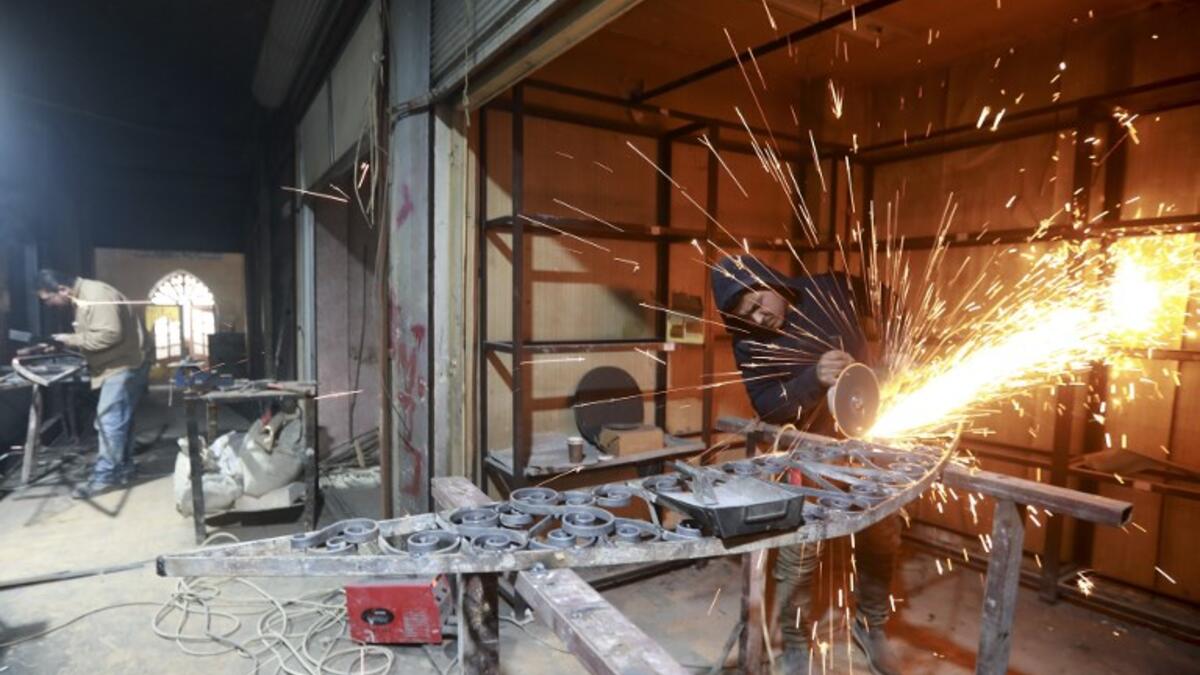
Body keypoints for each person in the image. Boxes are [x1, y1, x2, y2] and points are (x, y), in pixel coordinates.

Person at [712, 255, 902, 675]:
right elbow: (768, 405)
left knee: (883, 534)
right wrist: (813, 378)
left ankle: (871, 626)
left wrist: (889, 359)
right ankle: (795, 642)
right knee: (801, 553)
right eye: (747, 315)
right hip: (808, 452)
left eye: (760, 303)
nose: (760, 317)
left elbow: (891, 302)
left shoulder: (831, 289)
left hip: (867, 436)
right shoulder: (750, 342)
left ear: (773, 283)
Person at [33, 269, 150, 499]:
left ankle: (105, 478)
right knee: (119, 420)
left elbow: (109, 334)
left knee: (108, 421)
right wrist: (65, 343)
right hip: (118, 364)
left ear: (63, 290)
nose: (49, 305)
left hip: (124, 365)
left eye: (48, 299)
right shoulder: (83, 295)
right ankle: (123, 470)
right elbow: (96, 333)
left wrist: (71, 339)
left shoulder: (95, 294)